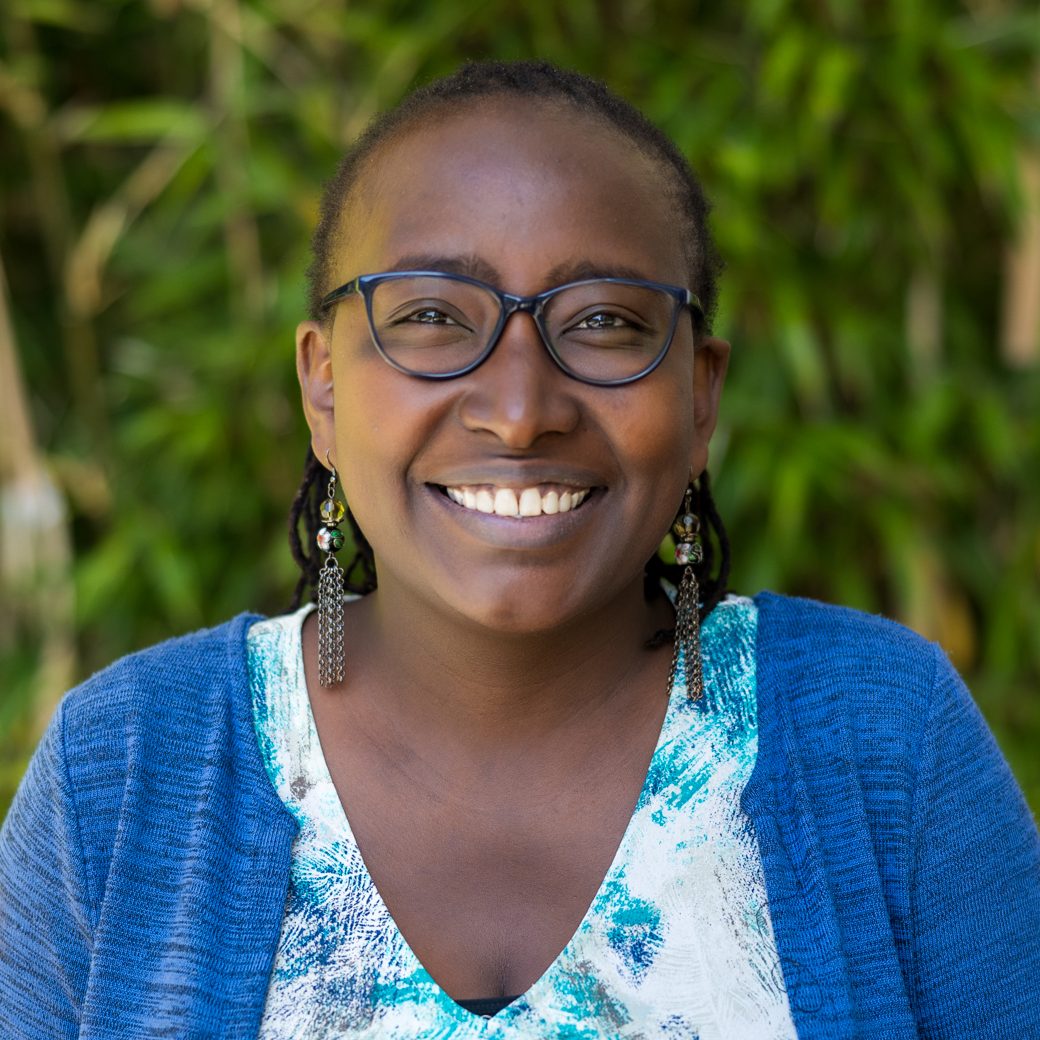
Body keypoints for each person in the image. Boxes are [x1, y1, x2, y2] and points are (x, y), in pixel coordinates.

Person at [1, 59, 1038, 1039]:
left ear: (699, 393)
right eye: (430, 316)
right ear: (322, 387)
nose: (518, 408)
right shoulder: (128, 766)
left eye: (599, 322)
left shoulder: (882, 741)